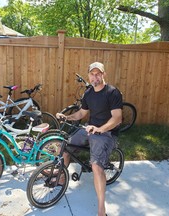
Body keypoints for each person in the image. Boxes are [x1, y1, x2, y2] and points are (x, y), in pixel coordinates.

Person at [56, 62, 122, 216]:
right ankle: (61, 179)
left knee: (96, 166)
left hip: (107, 133)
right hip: (89, 129)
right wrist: (67, 116)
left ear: (104, 74)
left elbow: (117, 118)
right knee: (66, 146)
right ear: (88, 76)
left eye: (98, 74)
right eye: (92, 74)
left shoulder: (112, 92)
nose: (95, 77)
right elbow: (81, 114)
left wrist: (100, 129)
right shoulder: (88, 93)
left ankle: (101, 209)